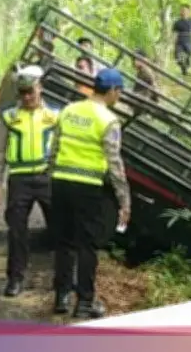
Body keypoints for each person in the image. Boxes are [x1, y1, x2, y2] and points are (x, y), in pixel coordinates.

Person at [48, 68, 131, 319]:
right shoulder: (108, 120)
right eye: (120, 93)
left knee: (63, 242)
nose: (119, 97)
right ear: (113, 91)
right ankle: (84, 301)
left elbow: (54, 148)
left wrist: (52, 175)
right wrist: (124, 201)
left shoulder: (69, 110)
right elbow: (114, 165)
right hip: (87, 187)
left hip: (61, 182)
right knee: (87, 246)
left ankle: (61, 296)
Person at [0, 65, 58, 297]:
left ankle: (63, 280)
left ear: (41, 88)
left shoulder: (54, 116)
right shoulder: (9, 117)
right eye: (23, 93)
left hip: (47, 178)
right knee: (17, 231)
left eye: (31, 91)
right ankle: (15, 278)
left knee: (59, 228)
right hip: (19, 179)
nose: (28, 97)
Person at [172, 4, 191, 76]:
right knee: (178, 57)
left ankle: (186, 69)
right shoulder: (177, 22)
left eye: (185, 10)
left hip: (189, 42)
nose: (183, 12)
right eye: (182, 10)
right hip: (179, 42)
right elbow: (174, 34)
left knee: (188, 57)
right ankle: (183, 69)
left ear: (189, 12)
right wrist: (173, 43)